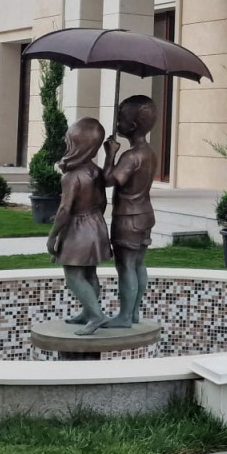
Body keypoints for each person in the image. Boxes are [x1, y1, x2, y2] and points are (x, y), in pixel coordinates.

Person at [46, 117, 113, 335]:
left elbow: (65, 209)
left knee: (74, 276)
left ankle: (96, 315)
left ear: (76, 145)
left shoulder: (71, 176)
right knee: (90, 272)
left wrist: (53, 235)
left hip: (79, 228)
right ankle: (87, 312)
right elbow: (102, 202)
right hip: (96, 224)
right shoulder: (96, 172)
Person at [102, 95, 158, 328]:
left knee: (126, 266)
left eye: (120, 119)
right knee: (139, 264)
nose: (117, 123)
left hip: (128, 218)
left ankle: (125, 316)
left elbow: (108, 180)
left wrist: (110, 155)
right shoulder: (150, 153)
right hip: (145, 214)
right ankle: (133, 312)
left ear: (132, 126)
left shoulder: (131, 156)